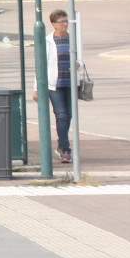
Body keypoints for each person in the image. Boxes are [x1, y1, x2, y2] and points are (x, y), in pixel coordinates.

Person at [44, 9, 83, 164]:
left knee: (69, 116)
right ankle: (66, 150)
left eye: (66, 21)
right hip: (55, 84)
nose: (65, 24)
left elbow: (81, 60)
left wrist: (77, 64)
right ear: (53, 24)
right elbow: (42, 65)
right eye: (61, 21)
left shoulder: (73, 39)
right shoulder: (48, 41)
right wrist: (36, 88)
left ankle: (61, 144)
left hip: (71, 83)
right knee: (61, 115)